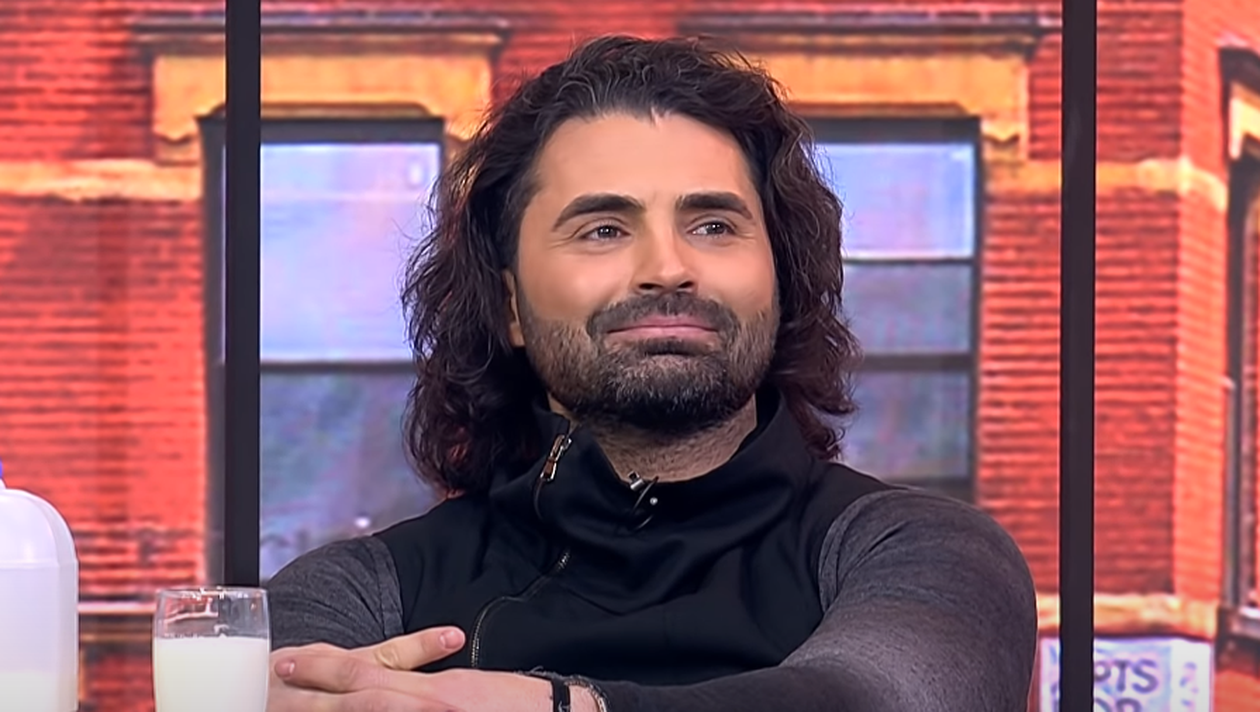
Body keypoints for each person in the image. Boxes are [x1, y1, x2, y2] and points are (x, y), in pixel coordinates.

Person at [264, 34, 1039, 712]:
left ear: (781, 279)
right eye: (603, 229)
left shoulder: (920, 550)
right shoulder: (355, 590)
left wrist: (556, 707)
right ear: (508, 304)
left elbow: (875, 701)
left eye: (714, 224)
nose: (668, 267)